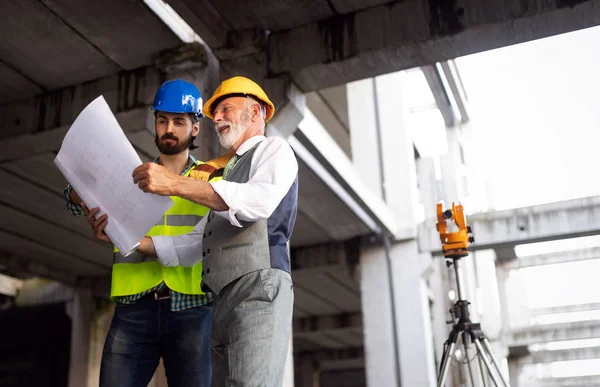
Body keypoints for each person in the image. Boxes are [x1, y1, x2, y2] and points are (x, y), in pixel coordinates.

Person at [93, 76, 298, 386]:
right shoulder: (226, 174)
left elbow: (259, 201)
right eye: (214, 113)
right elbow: (195, 243)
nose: (217, 118)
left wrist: (174, 184)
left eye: (226, 108)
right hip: (223, 298)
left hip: (257, 286)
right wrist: (129, 239)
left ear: (256, 113)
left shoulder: (272, 149)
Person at [65, 79, 230, 387]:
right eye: (162, 120)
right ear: (154, 123)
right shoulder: (131, 174)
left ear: (195, 128)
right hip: (134, 306)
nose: (169, 128)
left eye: (179, 121)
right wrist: (90, 204)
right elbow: (72, 197)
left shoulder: (211, 179)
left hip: (191, 308)